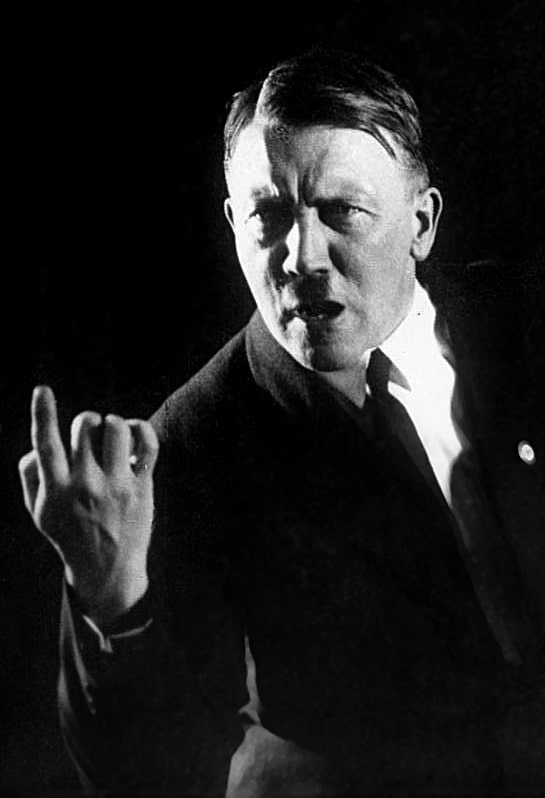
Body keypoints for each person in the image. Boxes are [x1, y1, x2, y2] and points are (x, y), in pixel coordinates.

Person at [19, 49, 545, 795]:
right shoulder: (189, 448)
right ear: (232, 222)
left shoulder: (521, 322)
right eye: (267, 217)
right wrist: (111, 600)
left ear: (421, 223)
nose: (300, 257)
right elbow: (147, 776)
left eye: (342, 211)